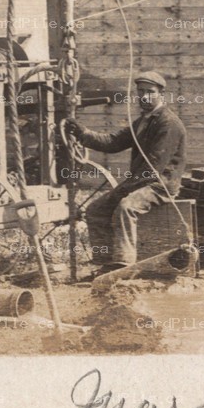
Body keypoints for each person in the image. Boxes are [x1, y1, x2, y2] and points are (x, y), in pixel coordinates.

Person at [65, 70, 187, 277]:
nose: (145, 97)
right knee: (95, 209)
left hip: (160, 185)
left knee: (126, 207)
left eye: (150, 92)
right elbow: (114, 142)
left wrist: (125, 190)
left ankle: (123, 265)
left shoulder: (168, 123)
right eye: (141, 92)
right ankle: (105, 264)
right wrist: (82, 133)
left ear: (161, 94)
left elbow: (153, 168)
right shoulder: (143, 121)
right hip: (141, 182)